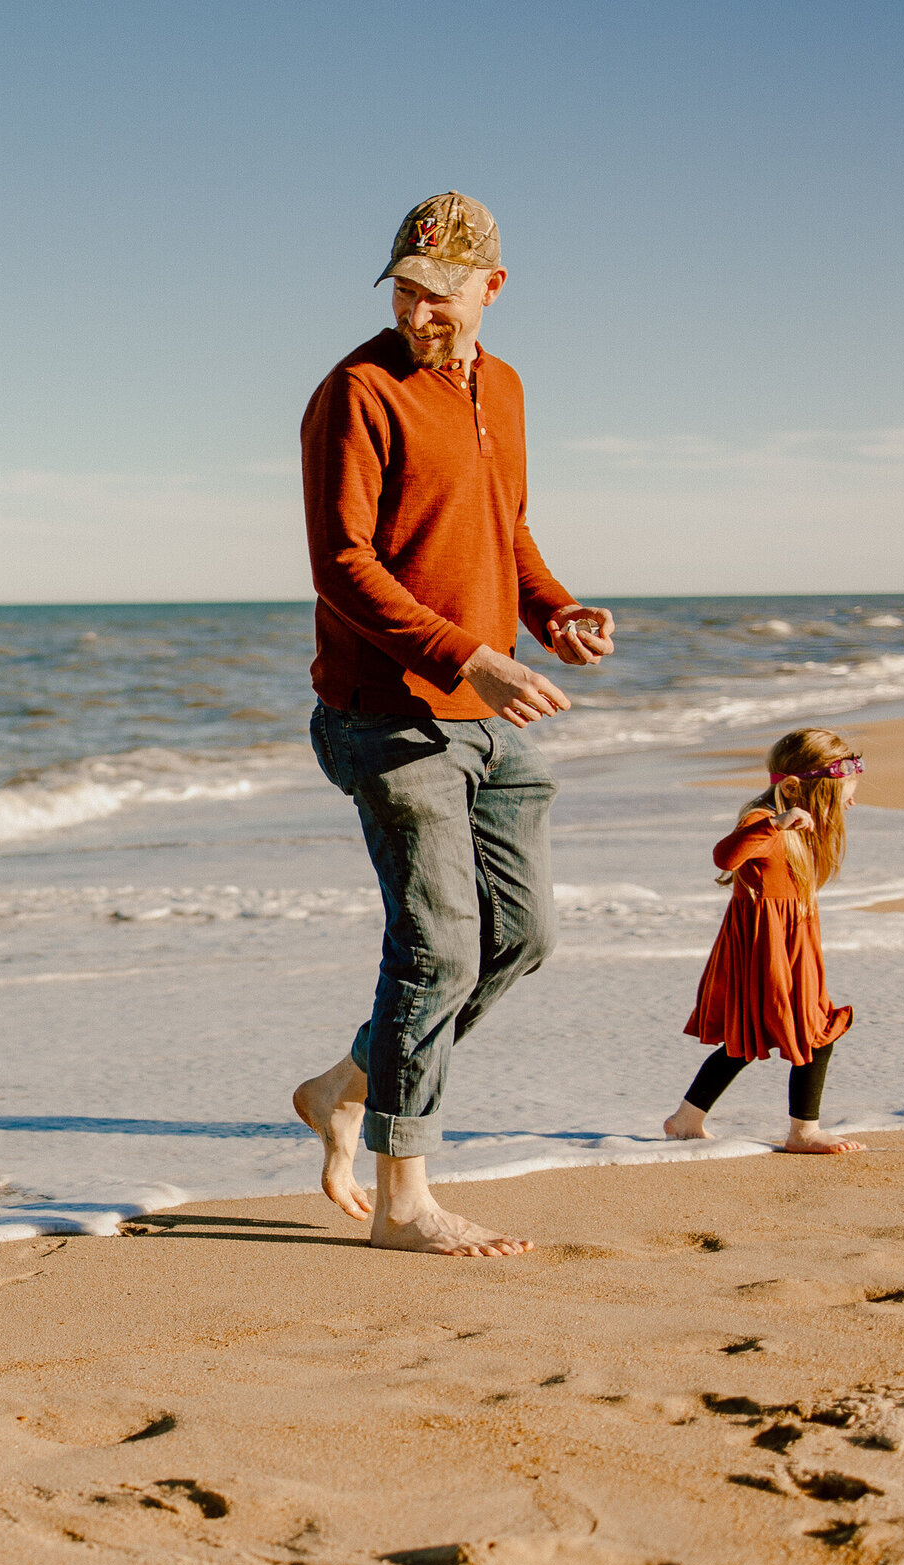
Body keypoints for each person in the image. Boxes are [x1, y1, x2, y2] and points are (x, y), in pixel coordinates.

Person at [289, 192, 617, 1256]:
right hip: (385, 715)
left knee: (521, 936)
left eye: (441, 294)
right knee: (437, 943)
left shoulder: (505, 387)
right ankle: (404, 1200)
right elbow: (344, 564)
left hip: (485, 708)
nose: (423, 311)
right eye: (407, 292)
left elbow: (502, 527)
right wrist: (460, 651)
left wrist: (552, 610)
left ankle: (347, 1083)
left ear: (492, 288)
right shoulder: (356, 390)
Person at [663, 730, 864, 1155]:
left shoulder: (801, 827)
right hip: (763, 946)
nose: (851, 802)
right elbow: (725, 857)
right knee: (814, 1030)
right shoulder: (763, 819)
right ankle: (803, 1132)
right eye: (842, 793)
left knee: (747, 1038)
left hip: (791, 941)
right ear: (793, 788)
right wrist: (775, 823)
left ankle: (685, 1120)